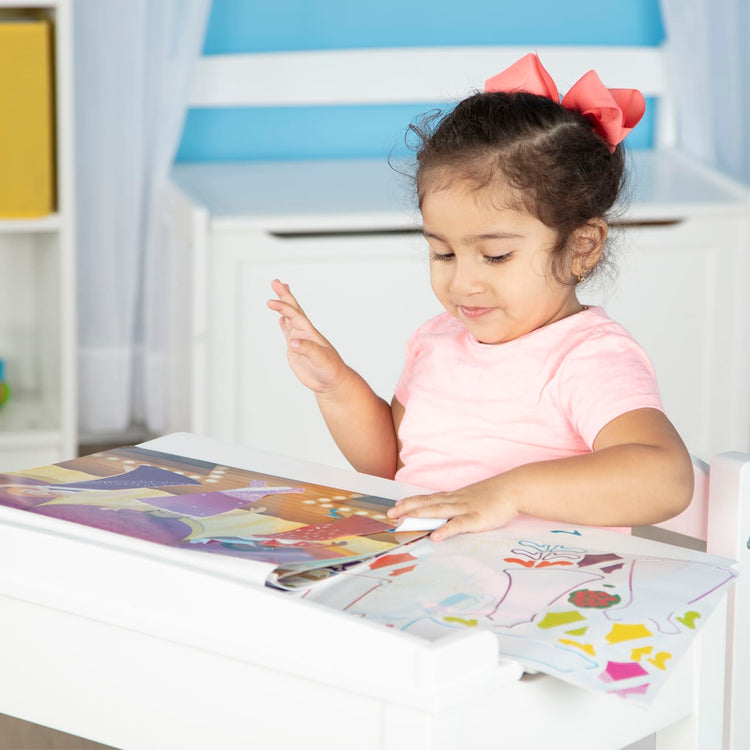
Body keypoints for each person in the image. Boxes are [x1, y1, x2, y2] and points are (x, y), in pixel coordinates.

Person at [267, 53, 693, 541]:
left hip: (539, 582)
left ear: (581, 246)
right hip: (424, 572)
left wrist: (509, 492)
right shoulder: (436, 341)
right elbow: (389, 464)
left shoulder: (587, 357)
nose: (463, 283)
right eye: (444, 253)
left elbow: (667, 479)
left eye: (495, 256)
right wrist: (336, 386)